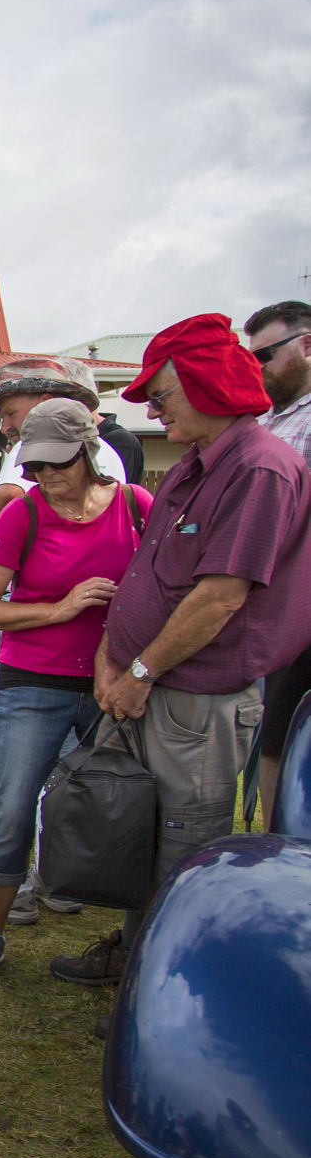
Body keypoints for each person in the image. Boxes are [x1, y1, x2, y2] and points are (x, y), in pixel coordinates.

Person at [54, 314, 311, 986]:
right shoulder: (194, 466)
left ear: (206, 386)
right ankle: (136, 957)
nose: (151, 409)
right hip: (146, 685)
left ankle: (166, 991)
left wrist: (139, 669)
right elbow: (146, 570)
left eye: (161, 395)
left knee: (183, 850)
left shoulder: (261, 469)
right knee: (135, 836)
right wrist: (113, 655)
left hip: (195, 701)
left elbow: (221, 595)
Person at [0, 401, 152, 983]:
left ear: (89, 451)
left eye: (57, 464)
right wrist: (59, 608)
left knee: (123, 802)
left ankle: (125, 937)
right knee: (13, 804)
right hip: (35, 680)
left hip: (115, 682)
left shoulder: (137, 507)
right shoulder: (23, 515)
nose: (44, 477)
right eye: (33, 466)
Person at [242, 301, 311, 821]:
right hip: (278, 606)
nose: (257, 366)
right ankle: (278, 844)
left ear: (307, 345)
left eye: (266, 353)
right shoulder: (267, 419)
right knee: (277, 736)